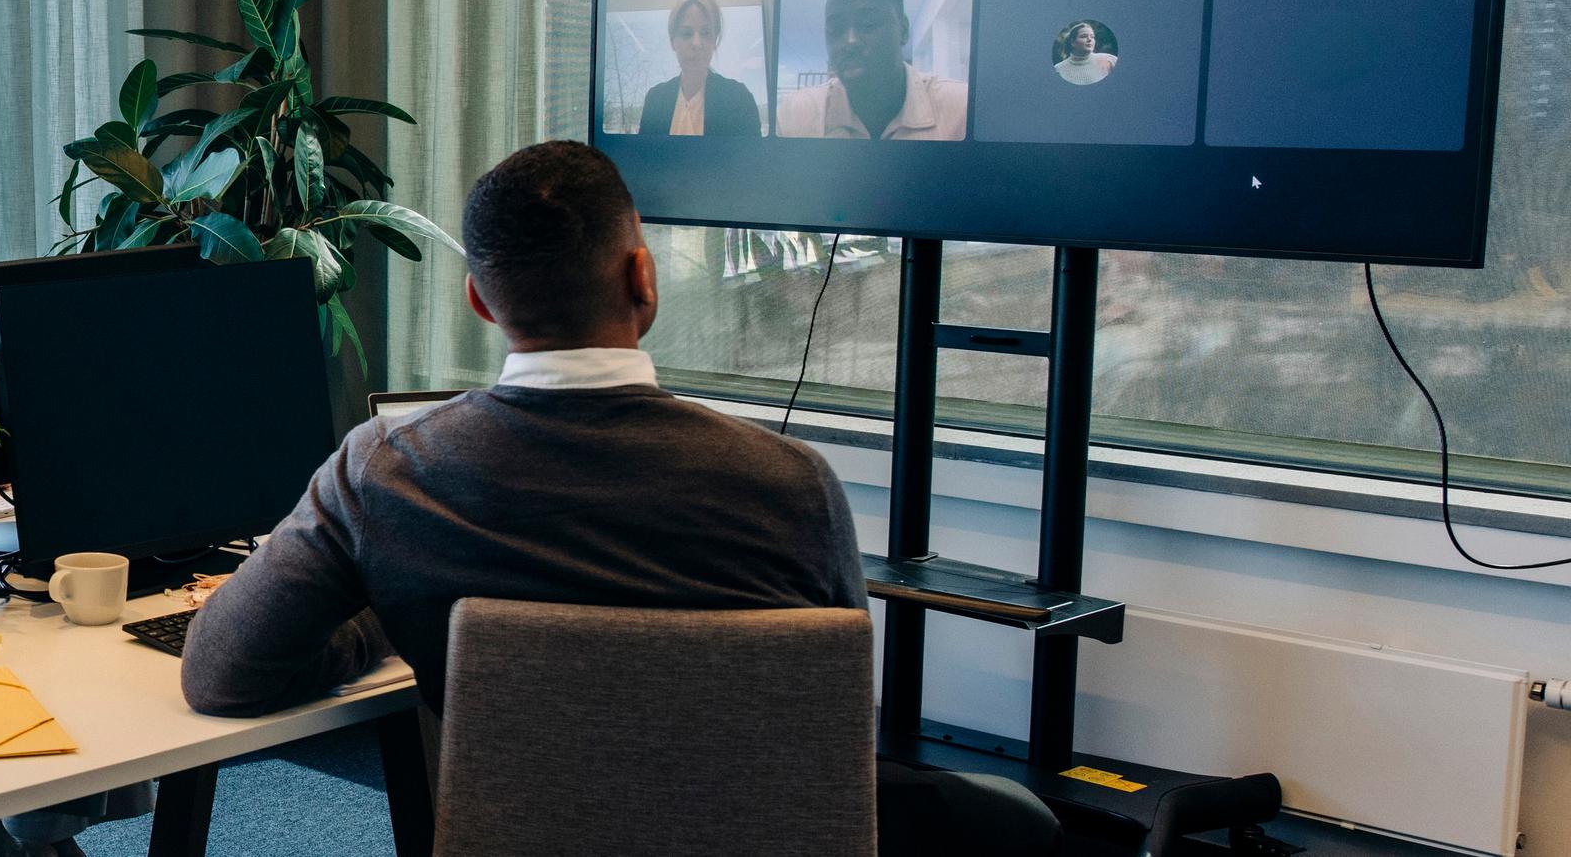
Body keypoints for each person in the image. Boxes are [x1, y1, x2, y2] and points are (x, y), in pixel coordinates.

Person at [178, 142, 1058, 855]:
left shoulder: (383, 472)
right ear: (643, 278)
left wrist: (382, 611)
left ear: (481, 302)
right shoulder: (792, 486)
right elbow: (824, 735)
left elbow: (224, 674)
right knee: (1007, 822)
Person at [775, 0, 968, 141]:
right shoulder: (794, 115)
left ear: (903, 30)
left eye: (868, 24)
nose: (849, 41)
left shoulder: (962, 110)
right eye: (835, 30)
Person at [635, 0, 762, 136]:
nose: (696, 43)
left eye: (706, 32)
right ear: (672, 41)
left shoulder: (739, 100)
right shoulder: (655, 100)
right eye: (686, 33)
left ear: (715, 41)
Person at [1054, 20, 1117, 85]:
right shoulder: (1059, 70)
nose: (1090, 39)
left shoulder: (1109, 60)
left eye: (1092, 37)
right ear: (1072, 42)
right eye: (1084, 36)